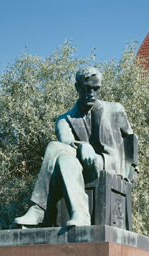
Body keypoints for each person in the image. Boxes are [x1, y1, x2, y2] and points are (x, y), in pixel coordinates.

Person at [15, 66, 137, 227]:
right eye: (87, 88)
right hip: (78, 161)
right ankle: (80, 214)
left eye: (96, 89)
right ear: (77, 87)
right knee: (62, 156)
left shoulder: (115, 109)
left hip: (109, 163)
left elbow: (130, 138)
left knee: (55, 148)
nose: (91, 94)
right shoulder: (64, 119)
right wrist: (82, 146)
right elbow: (65, 141)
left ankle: (39, 209)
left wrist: (133, 170)